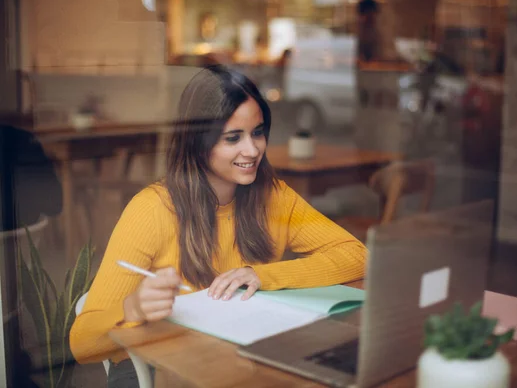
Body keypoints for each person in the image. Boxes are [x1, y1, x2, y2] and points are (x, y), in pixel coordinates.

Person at [70, 65, 367, 386]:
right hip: (153, 368)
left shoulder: (275, 197)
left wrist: (264, 276)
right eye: (232, 138)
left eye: (257, 132)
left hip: (234, 358)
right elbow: (82, 344)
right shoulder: (152, 209)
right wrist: (133, 308)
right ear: (200, 143)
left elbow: (357, 255)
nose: (252, 150)